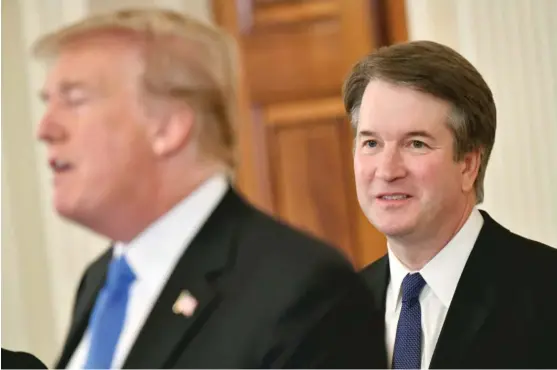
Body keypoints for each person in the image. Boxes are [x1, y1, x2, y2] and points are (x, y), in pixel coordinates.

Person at [33, 8, 386, 369]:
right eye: (48, 102)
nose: (45, 129)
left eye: (75, 100)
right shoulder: (103, 279)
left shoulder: (302, 291)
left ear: (168, 128)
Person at [342, 40, 557, 369]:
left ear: (469, 165)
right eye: (371, 142)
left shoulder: (545, 291)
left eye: (416, 144)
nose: (386, 170)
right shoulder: (337, 312)